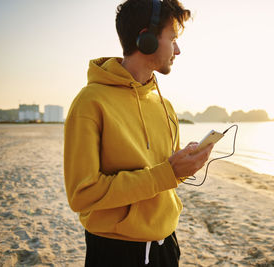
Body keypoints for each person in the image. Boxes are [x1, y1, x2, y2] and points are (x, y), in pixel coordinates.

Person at [63, 0, 214, 266]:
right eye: (173, 38)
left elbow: (165, 177)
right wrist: (168, 172)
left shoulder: (165, 105)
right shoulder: (90, 102)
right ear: (147, 40)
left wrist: (183, 166)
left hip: (167, 246)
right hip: (116, 252)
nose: (178, 50)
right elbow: (81, 195)